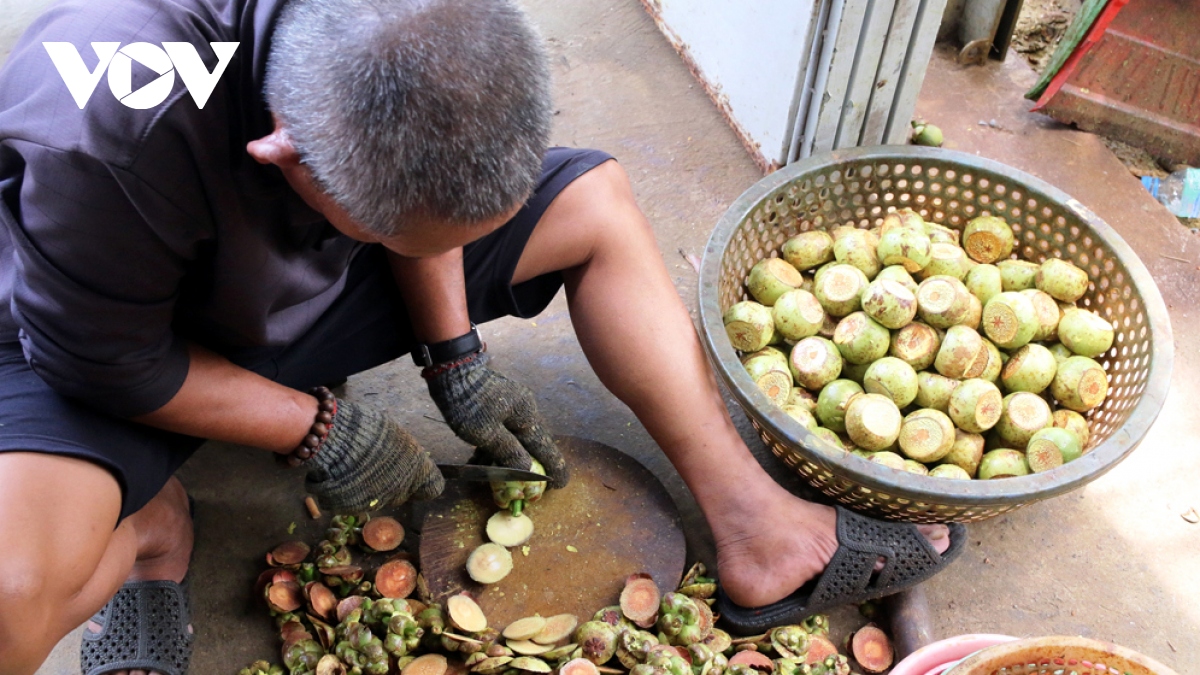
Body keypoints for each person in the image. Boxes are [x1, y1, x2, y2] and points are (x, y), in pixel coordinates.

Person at [0, 0, 965, 673]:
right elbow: (100, 354)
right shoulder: (102, 132)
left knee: (594, 202)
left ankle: (757, 530)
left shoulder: (407, 36)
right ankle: (151, 530)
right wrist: (315, 428)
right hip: (100, 334)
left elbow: (424, 194)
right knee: (13, 602)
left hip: (308, 265)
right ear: (282, 151)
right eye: (392, 233)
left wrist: (455, 351)